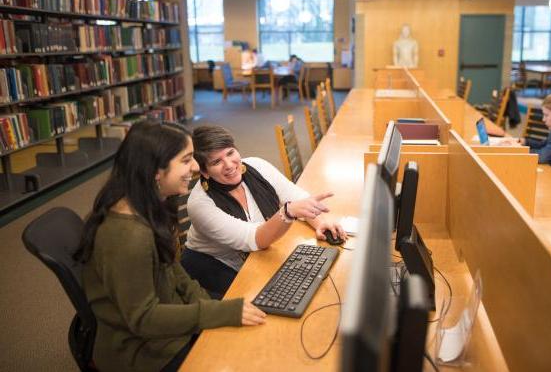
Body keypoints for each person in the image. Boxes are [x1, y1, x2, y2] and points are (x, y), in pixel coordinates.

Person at [75, 121, 266, 372]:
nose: (197, 167)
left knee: (258, 323)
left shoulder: (148, 204)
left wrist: (213, 307)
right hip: (146, 352)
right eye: (186, 160)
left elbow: (174, 271)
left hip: (173, 319)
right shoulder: (128, 237)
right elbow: (143, 319)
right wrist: (217, 314)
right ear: (156, 171)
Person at [182, 125, 347, 296]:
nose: (229, 165)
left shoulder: (257, 166)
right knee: (271, 299)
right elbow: (255, 239)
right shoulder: (200, 204)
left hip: (253, 254)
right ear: (204, 172)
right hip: (214, 265)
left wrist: (320, 223)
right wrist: (288, 212)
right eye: (216, 162)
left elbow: (297, 198)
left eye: (230, 153)